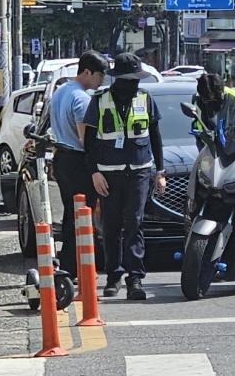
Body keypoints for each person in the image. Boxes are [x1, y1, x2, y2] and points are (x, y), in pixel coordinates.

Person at [84, 52, 166, 300]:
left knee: (134, 222)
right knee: (111, 227)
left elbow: (155, 136)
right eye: (128, 79)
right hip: (108, 175)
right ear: (117, 78)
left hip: (139, 172)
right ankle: (113, 277)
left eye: (135, 78)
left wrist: (160, 172)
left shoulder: (145, 98)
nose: (133, 83)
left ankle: (136, 279)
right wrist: (94, 173)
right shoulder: (100, 101)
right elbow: (88, 142)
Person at [50, 50, 108, 277]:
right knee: (83, 216)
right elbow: (87, 140)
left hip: (62, 157)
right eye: (99, 75)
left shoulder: (61, 91)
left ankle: (68, 265)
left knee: (70, 215)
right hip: (78, 161)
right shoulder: (82, 99)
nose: (101, 81)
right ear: (87, 72)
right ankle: (79, 267)